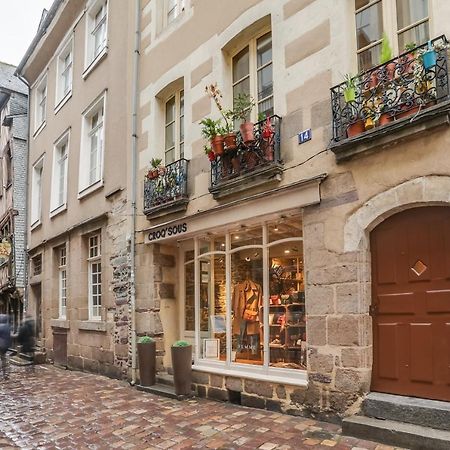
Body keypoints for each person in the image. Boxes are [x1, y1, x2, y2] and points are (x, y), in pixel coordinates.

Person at [0, 314, 12, 379]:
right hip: (5, 346)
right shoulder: (8, 326)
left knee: (2, 358)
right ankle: (5, 373)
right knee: (3, 358)